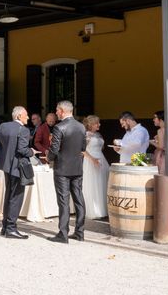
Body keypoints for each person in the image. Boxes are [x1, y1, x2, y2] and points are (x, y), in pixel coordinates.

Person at [0, 106, 36, 239]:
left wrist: (3, 151)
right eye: (26, 115)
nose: (28, 117)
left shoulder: (4, 126)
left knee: (9, 194)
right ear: (19, 116)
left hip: (6, 165)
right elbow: (22, 150)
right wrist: (32, 152)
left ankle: (5, 227)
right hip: (18, 166)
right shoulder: (24, 130)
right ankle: (11, 228)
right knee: (16, 197)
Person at [47, 100, 87, 243]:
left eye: (57, 110)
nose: (56, 113)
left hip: (62, 169)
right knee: (78, 199)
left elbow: (54, 149)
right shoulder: (81, 127)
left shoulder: (59, 127)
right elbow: (83, 148)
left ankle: (63, 233)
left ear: (62, 111)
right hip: (77, 168)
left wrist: (48, 157)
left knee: (63, 201)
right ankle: (80, 232)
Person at [81, 115, 109, 219]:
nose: (99, 124)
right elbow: (82, 150)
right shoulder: (86, 135)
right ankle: (94, 211)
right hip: (91, 161)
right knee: (93, 184)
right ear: (91, 124)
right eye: (97, 123)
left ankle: (103, 209)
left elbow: (101, 147)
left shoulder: (98, 134)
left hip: (101, 160)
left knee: (102, 184)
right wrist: (93, 159)